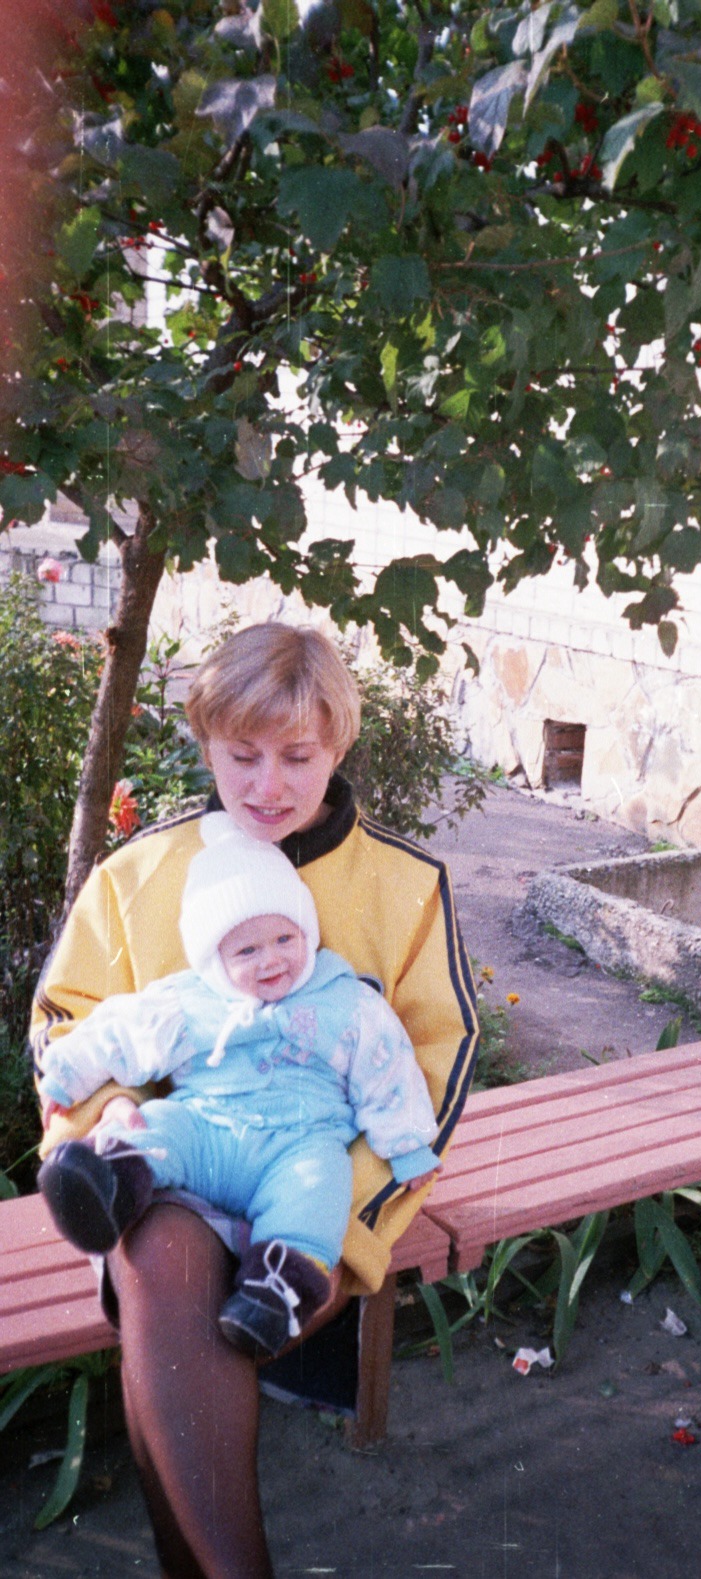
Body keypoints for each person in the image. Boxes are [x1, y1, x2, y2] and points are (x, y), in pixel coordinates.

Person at [32, 622, 479, 1579]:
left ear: (338, 747)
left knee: (187, 1323)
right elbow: (68, 1020)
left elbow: (435, 1067)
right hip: (171, 1164)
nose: (268, 785)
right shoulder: (137, 873)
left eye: (297, 756)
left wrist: (343, 1219)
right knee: (159, 1257)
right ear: (204, 744)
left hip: (318, 1194)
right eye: (242, 755)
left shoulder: (405, 885)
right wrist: (108, 1124)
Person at [36, 810, 441, 1360]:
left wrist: (408, 1144)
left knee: (320, 1187)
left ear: (306, 932)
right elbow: (120, 1033)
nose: (271, 960)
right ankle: (109, 1188)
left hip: (299, 1143)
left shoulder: (344, 1001)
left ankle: (277, 1287)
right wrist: (65, 1074)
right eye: (247, 951)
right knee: (158, 1127)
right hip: (207, 1128)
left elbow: (386, 1068)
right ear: (215, 959)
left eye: (284, 938)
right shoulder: (191, 1000)